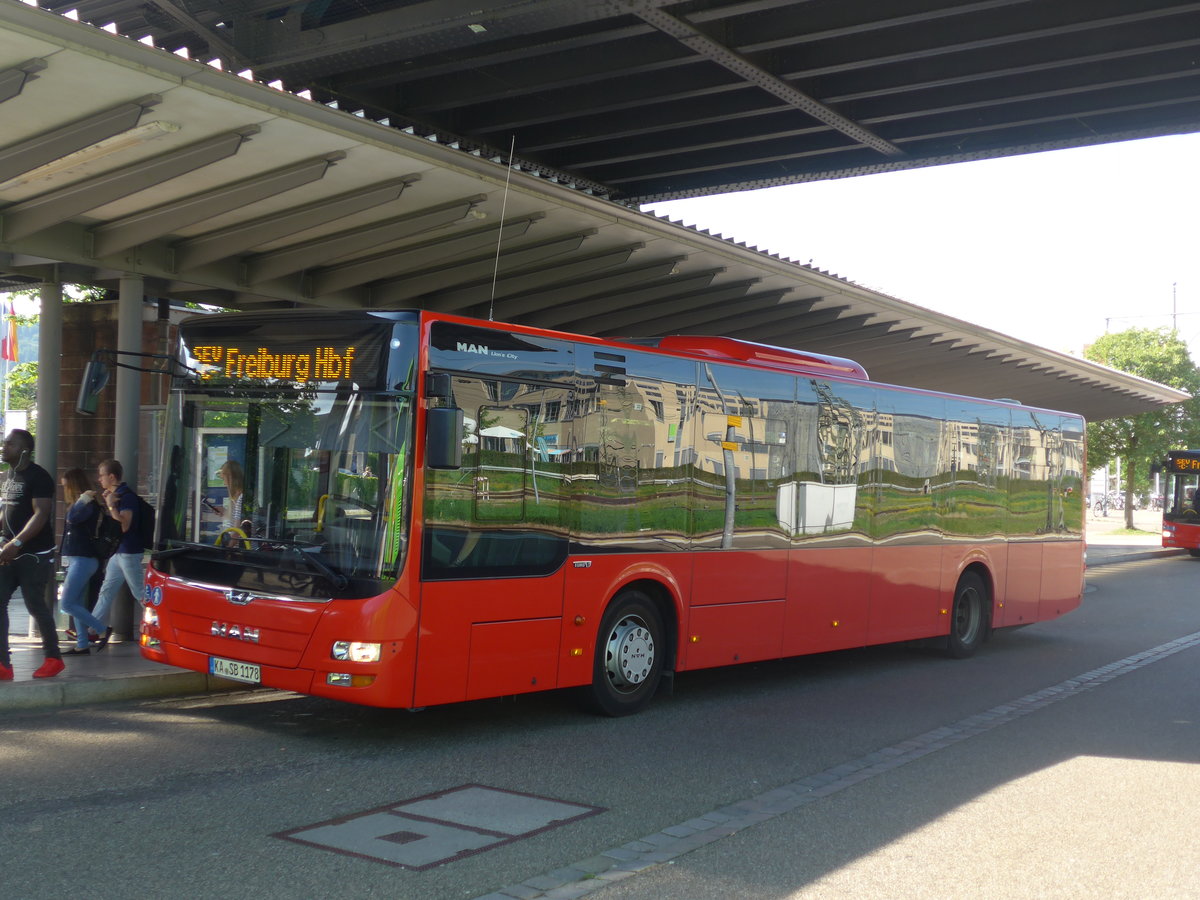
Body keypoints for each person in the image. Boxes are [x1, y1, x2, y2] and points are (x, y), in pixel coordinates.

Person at [0, 429, 65, 679]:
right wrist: (5, 538)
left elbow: (41, 514)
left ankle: (53, 658)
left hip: (34, 554)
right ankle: (3, 664)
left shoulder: (39, 477)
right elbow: (7, 512)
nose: (4, 446)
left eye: (10, 444)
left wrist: (17, 542)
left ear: (24, 450)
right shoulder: (8, 476)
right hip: (9, 550)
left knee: (35, 605)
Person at [91, 459, 144, 647]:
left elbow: (124, 526)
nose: (99, 479)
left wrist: (112, 506)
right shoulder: (116, 495)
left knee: (140, 592)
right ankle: (92, 629)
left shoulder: (127, 497)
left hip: (129, 552)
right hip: (119, 552)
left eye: (102, 475)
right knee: (106, 591)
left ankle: (161, 624)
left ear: (112, 477)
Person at [58, 468, 109, 655]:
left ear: (73, 485)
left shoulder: (87, 504)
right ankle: (82, 644)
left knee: (67, 604)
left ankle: (101, 629)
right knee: (76, 603)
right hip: (77, 560)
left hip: (83, 560)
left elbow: (72, 519)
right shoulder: (82, 504)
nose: (65, 490)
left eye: (66, 486)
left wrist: (82, 500)